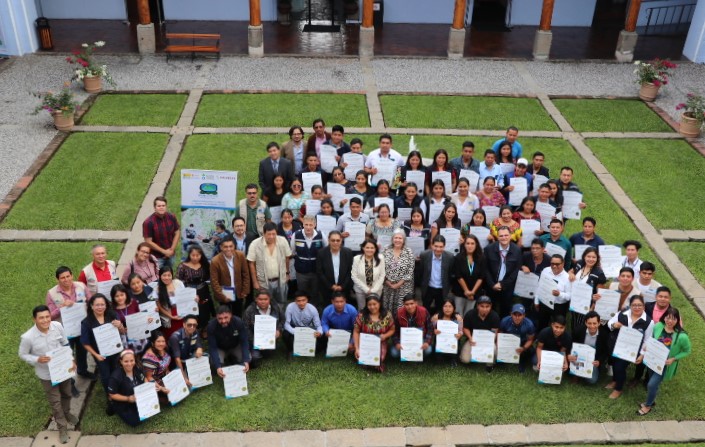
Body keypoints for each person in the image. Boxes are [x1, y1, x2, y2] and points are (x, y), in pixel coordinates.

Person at [19, 305, 78, 443]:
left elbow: (65, 343)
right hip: (46, 375)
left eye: (47, 316)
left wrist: (71, 359)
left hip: (63, 369)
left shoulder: (57, 326)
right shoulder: (28, 337)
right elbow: (22, 354)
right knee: (55, 402)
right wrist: (36, 359)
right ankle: (62, 428)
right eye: (41, 318)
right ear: (35, 319)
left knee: (67, 394)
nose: (45, 320)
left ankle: (67, 412)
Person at [638, 307, 691, 416]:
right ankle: (652, 401)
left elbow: (687, 351)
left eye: (673, 319)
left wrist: (674, 358)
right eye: (668, 317)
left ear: (678, 320)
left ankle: (648, 405)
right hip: (652, 360)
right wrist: (647, 347)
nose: (670, 321)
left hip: (664, 365)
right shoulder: (658, 326)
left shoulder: (682, 336)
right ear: (664, 317)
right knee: (654, 384)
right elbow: (652, 339)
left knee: (651, 385)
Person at [46, 266, 93, 381]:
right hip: (65, 331)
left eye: (68, 276)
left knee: (83, 350)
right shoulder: (51, 294)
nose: (66, 279)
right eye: (62, 278)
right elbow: (49, 316)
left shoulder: (81, 286)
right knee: (67, 354)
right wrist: (61, 308)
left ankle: (82, 370)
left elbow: (91, 301)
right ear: (58, 279)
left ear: (72, 275)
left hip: (82, 327)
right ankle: (69, 379)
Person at [606, 295, 654, 399]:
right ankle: (615, 380)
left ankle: (618, 388)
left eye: (639, 305)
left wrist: (642, 355)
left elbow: (647, 340)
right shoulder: (622, 314)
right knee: (614, 363)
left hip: (632, 350)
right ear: (630, 306)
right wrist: (614, 325)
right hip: (616, 345)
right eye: (634, 305)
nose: (637, 307)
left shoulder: (649, 322)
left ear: (644, 306)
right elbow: (610, 323)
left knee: (620, 367)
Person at [80, 294, 121, 414]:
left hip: (115, 351)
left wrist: (119, 325)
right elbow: (85, 342)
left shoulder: (112, 315)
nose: (100, 307)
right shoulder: (86, 322)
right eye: (97, 304)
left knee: (117, 372)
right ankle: (110, 399)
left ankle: (119, 393)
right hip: (100, 355)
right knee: (106, 376)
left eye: (102, 304)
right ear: (91, 306)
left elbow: (122, 331)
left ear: (106, 305)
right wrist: (96, 355)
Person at [248, 222, 293, 306]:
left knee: (281, 303)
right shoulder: (255, 244)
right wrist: (255, 282)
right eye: (269, 234)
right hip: (263, 282)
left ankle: (280, 318)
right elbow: (251, 263)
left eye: (274, 234)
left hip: (280, 279)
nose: (271, 236)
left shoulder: (282, 241)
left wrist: (287, 273)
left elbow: (287, 257)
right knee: (265, 304)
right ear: (264, 233)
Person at [485, 226, 523, 317]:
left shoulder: (517, 250)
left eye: (506, 235)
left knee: (505, 310)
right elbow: (485, 269)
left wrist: (502, 284)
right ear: (497, 237)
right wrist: (492, 284)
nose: (504, 238)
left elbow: (516, 271)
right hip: (491, 286)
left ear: (510, 236)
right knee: (490, 311)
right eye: (501, 236)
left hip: (507, 287)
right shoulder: (489, 249)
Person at [178, 245, 214, 336]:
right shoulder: (182, 266)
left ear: (201, 255)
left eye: (197, 255)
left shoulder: (205, 265)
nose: (195, 258)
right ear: (189, 255)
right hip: (188, 292)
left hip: (203, 291)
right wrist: (188, 293)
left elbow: (209, 277)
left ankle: (204, 328)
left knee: (204, 310)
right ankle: (192, 329)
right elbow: (179, 282)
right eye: (193, 255)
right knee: (192, 311)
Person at [353, 294, 395, 372]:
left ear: (379, 303)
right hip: (365, 343)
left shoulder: (387, 315)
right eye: (369, 305)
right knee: (364, 361)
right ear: (366, 305)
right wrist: (357, 348)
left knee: (378, 359)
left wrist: (385, 336)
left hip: (380, 342)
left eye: (374, 304)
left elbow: (392, 330)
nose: (372, 307)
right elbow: (356, 331)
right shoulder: (361, 315)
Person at [242, 289, 283, 368]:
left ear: (269, 299)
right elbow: (245, 328)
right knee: (254, 358)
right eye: (260, 299)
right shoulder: (249, 310)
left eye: (265, 299)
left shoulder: (276, 307)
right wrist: (255, 341)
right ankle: (253, 352)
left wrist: (278, 330)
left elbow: (282, 320)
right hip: (254, 340)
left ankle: (264, 351)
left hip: (270, 339)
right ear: (256, 299)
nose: (263, 301)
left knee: (268, 354)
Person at [569, 247, 607, 329]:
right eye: (588, 256)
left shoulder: (599, 274)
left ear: (597, 259)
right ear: (584, 256)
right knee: (573, 322)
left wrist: (592, 309)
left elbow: (599, 295)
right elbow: (571, 271)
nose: (591, 259)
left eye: (594, 257)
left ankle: (578, 341)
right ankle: (573, 340)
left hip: (586, 305)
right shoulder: (579, 264)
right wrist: (571, 274)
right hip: (574, 300)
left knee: (581, 326)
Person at [210, 236, 250, 313]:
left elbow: (245, 274)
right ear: (221, 247)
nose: (228, 249)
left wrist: (245, 291)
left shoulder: (240, 255)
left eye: (231, 246)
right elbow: (214, 281)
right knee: (225, 316)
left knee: (237, 314)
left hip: (238, 292)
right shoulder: (215, 261)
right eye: (225, 247)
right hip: (224, 293)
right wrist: (222, 296)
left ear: (234, 246)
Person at [107, 350, 147, 427]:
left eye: (132, 360)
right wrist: (128, 398)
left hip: (137, 397)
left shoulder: (138, 368)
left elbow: (144, 378)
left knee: (149, 412)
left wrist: (148, 387)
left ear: (135, 360)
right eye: (126, 361)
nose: (129, 364)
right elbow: (112, 394)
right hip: (124, 401)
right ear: (121, 361)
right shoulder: (115, 377)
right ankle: (114, 407)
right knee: (135, 422)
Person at [208, 305, 251, 376]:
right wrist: (218, 366)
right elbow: (213, 348)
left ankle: (233, 359)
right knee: (213, 364)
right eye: (220, 318)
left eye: (226, 317)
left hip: (235, 346)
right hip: (220, 348)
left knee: (248, 358)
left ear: (231, 315)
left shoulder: (238, 322)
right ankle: (224, 366)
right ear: (216, 317)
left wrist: (246, 360)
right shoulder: (211, 326)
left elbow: (244, 341)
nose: (223, 321)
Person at [459, 295, 500, 370]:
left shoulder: (495, 316)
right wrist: (470, 338)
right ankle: (473, 356)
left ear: (490, 306)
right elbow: (465, 328)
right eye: (482, 306)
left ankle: (490, 364)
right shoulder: (470, 314)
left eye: (487, 306)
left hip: (488, 341)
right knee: (465, 360)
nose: (485, 309)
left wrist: (489, 341)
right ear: (477, 306)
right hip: (473, 340)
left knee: (494, 350)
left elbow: (495, 331)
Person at [569, 310, 609, 385]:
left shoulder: (604, 334)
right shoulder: (578, 331)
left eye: (594, 323)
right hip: (578, 357)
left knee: (592, 380)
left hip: (593, 360)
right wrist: (570, 355)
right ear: (585, 323)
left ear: (599, 323)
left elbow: (606, 351)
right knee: (566, 370)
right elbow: (571, 344)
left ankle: (582, 372)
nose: (592, 326)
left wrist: (599, 361)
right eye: (589, 323)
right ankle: (576, 374)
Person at [534, 255, 571, 332]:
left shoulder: (567, 277)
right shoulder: (545, 270)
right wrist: (536, 301)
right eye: (552, 263)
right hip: (545, 302)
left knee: (558, 326)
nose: (554, 266)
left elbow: (569, 296)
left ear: (563, 263)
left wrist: (559, 294)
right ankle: (540, 339)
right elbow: (539, 286)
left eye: (557, 264)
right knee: (542, 323)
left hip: (559, 307)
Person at [390, 295, 434, 360]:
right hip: (403, 340)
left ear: (416, 303)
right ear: (403, 304)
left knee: (428, 350)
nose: (410, 307)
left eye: (412, 303)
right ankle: (408, 354)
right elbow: (394, 330)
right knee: (394, 353)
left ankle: (417, 355)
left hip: (420, 339)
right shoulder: (399, 313)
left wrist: (427, 342)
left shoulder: (424, 311)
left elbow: (430, 328)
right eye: (407, 304)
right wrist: (397, 343)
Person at [382, 230, 416, 314]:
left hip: (404, 286)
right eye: (395, 238)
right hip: (388, 286)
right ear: (392, 239)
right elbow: (380, 267)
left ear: (404, 240)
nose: (397, 240)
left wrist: (398, 284)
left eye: (400, 238)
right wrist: (387, 282)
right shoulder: (386, 250)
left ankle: (400, 325)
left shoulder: (408, 251)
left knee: (401, 310)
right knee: (388, 309)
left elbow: (410, 270)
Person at [418, 235, 454, 314]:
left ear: (444, 246)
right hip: (428, 288)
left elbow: (451, 274)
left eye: (441, 247)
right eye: (436, 246)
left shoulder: (450, 257)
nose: (438, 249)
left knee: (440, 312)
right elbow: (421, 272)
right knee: (424, 311)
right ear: (432, 245)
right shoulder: (424, 255)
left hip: (442, 289)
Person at [452, 234, 485, 318]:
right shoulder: (458, 257)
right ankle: (459, 331)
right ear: (464, 244)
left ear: (476, 245)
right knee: (458, 316)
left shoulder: (481, 258)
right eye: (468, 243)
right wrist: (466, 291)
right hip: (460, 292)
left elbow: (481, 277)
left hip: (474, 293)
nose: (470, 246)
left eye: (472, 243)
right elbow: (458, 276)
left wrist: (472, 292)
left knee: (468, 316)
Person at [142, 196, 180, 269]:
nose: (161, 207)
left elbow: (177, 232)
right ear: (154, 207)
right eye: (159, 206)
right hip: (157, 258)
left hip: (171, 254)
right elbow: (148, 241)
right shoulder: (148, 222)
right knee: (156, 277)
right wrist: (164, 252)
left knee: (169, 275)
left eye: (163, 205)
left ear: (166, 206)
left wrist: (171, 250)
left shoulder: (171, 217)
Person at [283, 291, 323, 358]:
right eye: (298, 301)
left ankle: (305, 349)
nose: (301, 303)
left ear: (307, 300)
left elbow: (318, 325)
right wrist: (294, 332)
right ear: (295, 301)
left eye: (303, 300)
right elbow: (286, 324)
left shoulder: (312, 309)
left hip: (307, 329)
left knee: (318, 346)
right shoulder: (290, 307)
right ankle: (290, 350)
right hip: (294, 328)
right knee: (285, 334)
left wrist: (319, 332)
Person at [317, 231, 354, 302]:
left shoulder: (348, 252)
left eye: (338, 240)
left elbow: (350, 271)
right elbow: (320, 272)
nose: (335, 242)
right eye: (333, 240)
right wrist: (331, 286)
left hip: (344, 289)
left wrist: (342, 286)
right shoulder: (321, 253)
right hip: (327, 289)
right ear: (328, 240)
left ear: (341, 240)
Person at [150, 266, 187, 339]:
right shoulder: (157, 289)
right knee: (171, 336)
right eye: (164, 275)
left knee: (183, 333)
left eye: (169, 275)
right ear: (160, 276)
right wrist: (171, 316)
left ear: (172, 275)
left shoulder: (178, 283)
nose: (166, 278)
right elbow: (159, 306)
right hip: (168, 315)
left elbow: (185, 297)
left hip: (181, 312)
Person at [111, 284, 147, 356]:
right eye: (117, 296)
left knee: (141, 355)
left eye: (122, 295)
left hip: (137, 334)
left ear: (126, 294)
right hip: (123, 339)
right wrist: (121, 329)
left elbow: (140, 316)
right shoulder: (111, 309)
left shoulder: (133, 302)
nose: (120, 298)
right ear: (113, 297)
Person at [498, 304, 536, 372]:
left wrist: (523, 348)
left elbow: (530, 340)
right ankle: (502, 360)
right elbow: (500, 334)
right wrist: (502, 344)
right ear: (511, 314)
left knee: (530, 350)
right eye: (515, 315)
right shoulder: (504, 321)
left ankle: (522, 362)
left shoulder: (529, 324)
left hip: (522, 342)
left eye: (520, 315)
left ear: (524, 315)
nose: (517, 317)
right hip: (508, 340)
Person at [351, 239, 386, 310]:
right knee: (362, 309)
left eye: (372, 248)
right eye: (367, 247)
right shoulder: (356, 259)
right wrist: (366, 289)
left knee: (375, 309)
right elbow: (354, 276)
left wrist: (373, 290)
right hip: (360, 290)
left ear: (375, 249)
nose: (369, 250)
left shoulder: (381, 258)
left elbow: (382, 275)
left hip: (376, 290)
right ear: (363, 248)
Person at [168, 314, 203, 383]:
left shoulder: (195, 331)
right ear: (184, 325)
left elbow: (198, 344)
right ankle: (184, 373)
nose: (192, 327)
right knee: (184, 384)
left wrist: (199, 348)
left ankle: (197, 375)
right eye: (189, 325)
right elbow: (177, 359)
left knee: (205, 356)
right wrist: (184, 377)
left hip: (189, 357)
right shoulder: (175, 337)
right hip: (178, 362)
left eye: (194, 325)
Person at [141, 331, 172, 403]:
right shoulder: (148, 358)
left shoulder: (164, 348)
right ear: (153, 342)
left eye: (163, 341)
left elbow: (165, 364)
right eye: (158, 341)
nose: (161, 344)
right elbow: (149, 377)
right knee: (169, 396)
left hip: (164, 377)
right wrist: (161, 388)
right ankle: (158, 397)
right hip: (154, 382)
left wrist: (168, 373)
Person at [431, 299, 464, 366]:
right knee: (438, 359)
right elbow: (431, 329)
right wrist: (434, 331)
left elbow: (461, 331)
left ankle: (453, 359)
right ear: (442, 307)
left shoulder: (458, 318)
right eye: (445, 306)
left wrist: (459, 334)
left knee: (453, 354)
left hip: (453, 342)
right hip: (440, 342)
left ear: (454, 308)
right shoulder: (436, 317)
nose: (447, 309)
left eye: (450, 306)